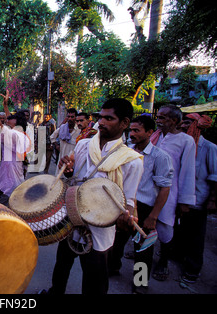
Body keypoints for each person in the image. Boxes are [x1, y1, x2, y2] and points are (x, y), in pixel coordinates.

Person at [43, 98, 144, 295]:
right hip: (72, 219)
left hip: (100, 229)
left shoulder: (132, 161)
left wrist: (127, 216)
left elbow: (129, 200)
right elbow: (75, 177)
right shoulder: (84, 145)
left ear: (124, 123)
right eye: (100, 117)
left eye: (109, 118)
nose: (102, 122)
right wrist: (69, 170)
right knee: (62, 266)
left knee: (95, 280)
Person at [109, 115, 174, 293]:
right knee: (116, 241)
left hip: (145, 209)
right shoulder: (127, 151)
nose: (132, 134)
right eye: (131, 130)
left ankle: (140, 282)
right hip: (123, 205)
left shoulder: (160, 157)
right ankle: (113, 268)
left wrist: (153, 216)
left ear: (150, 132)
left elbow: (164, 189)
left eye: (137, 130)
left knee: (143, 248)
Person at [150, 104, 196, 281]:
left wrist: (184, 201)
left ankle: (163, 260)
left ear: (175, 121)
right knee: (144, 225)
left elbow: (187, 171)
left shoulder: (186, 141)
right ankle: (142, 264)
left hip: (169, 192)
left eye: (162, 118)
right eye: (158, 117)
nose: (158, 120)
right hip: (148, 191)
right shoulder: (155, 136)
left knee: (165, 228)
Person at [176, 113, 216, 283]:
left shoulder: (209, 148)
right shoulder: (183, 144)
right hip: (179, 197)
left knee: (196, 236)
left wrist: (213, 200)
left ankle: (192, 269)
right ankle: (178, 258)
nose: (183, 126)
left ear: (196, 124)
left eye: (187, 123)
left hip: (198, 199)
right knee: (180, 231)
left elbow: (215, 176)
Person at [50, 108, 80, 175]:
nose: (70, 118)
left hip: (73, 161)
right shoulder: (62, 127)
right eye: (68, 116)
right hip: (62, 158)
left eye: (72, 117)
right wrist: (56, 145)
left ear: (75, 118)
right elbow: (52, 137)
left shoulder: (79, 130)